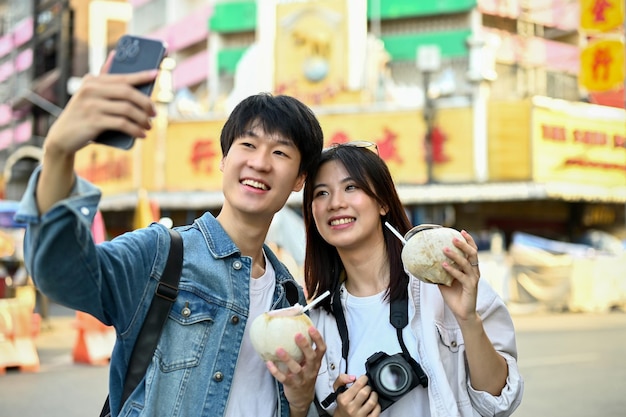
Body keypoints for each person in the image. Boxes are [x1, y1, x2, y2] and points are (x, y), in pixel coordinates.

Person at [15, 52, 326, 417]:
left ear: (299, 180)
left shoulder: (289, 298)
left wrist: (302, 402)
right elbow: (62, 274)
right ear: (224, 160)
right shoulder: (161, 254)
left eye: (279, 152)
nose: (259, 162)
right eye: (247, 145)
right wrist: (57, 153)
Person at [302, 141, 523, 416]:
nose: (335, 203)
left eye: (351, 187)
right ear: (312, 211)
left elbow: (499, 402)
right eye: (321, 193)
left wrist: (468, 319)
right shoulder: (315, 324)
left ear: (382, 202)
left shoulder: (444, 282)